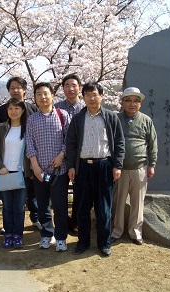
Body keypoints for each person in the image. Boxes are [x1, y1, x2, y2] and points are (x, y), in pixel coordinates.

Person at [66, 81, 125, 257]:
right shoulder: (78, 119)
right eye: (88, 95)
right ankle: (83, 242)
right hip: (83, 167)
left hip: (104, 166)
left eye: (95, 94)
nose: (92, 98)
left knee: (104, 208)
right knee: (83, 207)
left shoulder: (111, 117)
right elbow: (71, 144)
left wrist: (117, 165)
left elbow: (120, 142)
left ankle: (104, 243)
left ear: (101, 96)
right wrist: (71, 166)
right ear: (83, 97)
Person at [26, 82, 71, 252]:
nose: (43, 97)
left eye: (46, 93)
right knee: (42, 205)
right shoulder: (32, 119)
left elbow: (69, 140)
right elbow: (30, 144)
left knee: (59, 206)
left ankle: (60, 237)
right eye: (39, 94)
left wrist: (61, 156)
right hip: (39, 172)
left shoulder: (63, 115)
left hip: (59, 171)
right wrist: (35, 167)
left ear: (52, 95)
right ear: (35, 98)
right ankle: (46, 234)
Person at [111, 87, 158, 245]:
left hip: (140, 167)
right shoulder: (116, 119)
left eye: (136, 101)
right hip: (120, 168)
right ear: (122, 102)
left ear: (140, 104)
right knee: (118, 201)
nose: (132, 104)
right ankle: (117, 230)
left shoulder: (146, 120)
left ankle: (135, 232)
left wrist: (152, 164)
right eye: (128, 100)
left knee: (138, 203)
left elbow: (152, 144)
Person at [0, 77, 41, 230]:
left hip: (27, 164)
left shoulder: (33, 108)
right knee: (8, 198)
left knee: (32, 193)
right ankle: (8, 227)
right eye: (12, 87)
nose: (15, 90)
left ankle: (35, 217)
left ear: (24, 89)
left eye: (19, 87)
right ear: (8, 90)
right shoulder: (2, 110)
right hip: (7, 165)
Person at [0, 98, 30, 248]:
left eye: (17, 108)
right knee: (7, 207)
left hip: (21, 173)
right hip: (4, 173)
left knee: (19, 207)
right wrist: (1, 166)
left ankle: (18, 235)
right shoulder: (2, 128)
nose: (13, 112)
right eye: (10, 109)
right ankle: (8, 234)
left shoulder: (27, 128)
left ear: (22, 111)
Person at [54, 73, 86, 233]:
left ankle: (76, 221)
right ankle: (63, 222)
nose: (71, 89)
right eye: (67, 85)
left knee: (80, 191)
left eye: (74, 85)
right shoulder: (57, 108)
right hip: (61, 157)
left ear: (79, 88)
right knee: (60, 193)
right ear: (63, 88)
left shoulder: (85, 108)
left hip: (80, 157)